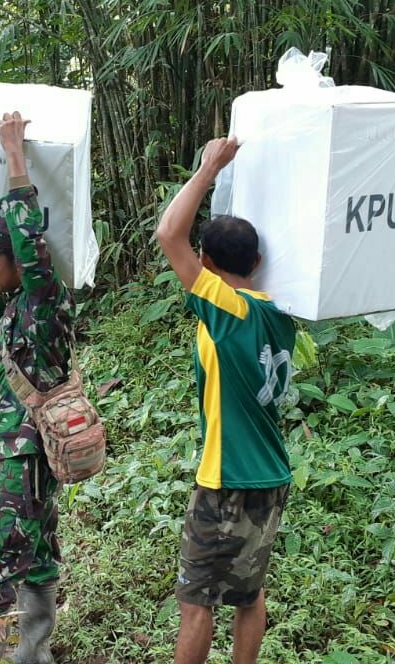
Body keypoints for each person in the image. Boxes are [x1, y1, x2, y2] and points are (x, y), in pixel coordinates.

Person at [155, 137, 297, 664]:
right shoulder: (279, 313)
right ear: (259, 261)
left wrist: (208, 167)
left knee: (196, 604)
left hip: (227, 481)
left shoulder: (227, 308)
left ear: (208, 263)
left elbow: (170, 234)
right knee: (247, 592)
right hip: (272, 477)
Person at [0, 111, 75, 664]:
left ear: (21, 263)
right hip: (23, 449)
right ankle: (35, 653)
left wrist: (14, 160)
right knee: (38, 551)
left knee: (2, 548)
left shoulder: (42, 302)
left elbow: (29, 244)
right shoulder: (11, 312)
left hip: (30, 453)